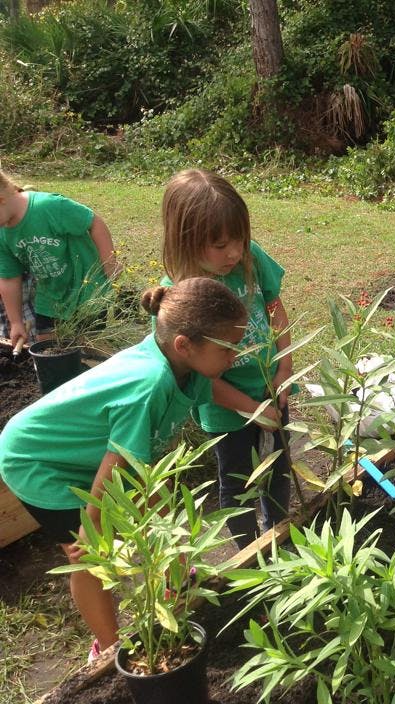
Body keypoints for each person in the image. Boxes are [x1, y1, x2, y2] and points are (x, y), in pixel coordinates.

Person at [0, 277, 248, 660]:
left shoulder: (186, 364)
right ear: (184, 344)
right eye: (229, 347)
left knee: (163, 512)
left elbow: (210, 391)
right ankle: (109, 646)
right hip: (39, 459)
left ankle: (177, 584)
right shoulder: (147, 385)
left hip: (91, 453)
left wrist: (256, 411)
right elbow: (117, 466)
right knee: (88, 554)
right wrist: (91, 523)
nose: (237, 355)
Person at [161, 169, 294, 549]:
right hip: (228, 406)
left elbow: (274, 306)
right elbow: (201, 377)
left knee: (279, 472)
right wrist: (250, 408)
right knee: (237, 484)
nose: (234, 253)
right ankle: (249, 555)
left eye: (239, 240)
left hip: (273, 390)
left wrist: (284, 366)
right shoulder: (180, 299)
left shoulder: (249, 259)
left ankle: (279, 541)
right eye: (220, 245)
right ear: (186, 240)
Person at [0, 170, 120, 348]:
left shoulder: (48, 206)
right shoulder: (2, 233)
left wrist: (110, 263)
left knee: (86, 347)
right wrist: (16, 322)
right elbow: (9, 278)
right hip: (51, 294)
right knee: (46, 348)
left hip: (87, 290)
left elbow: (93, 222)